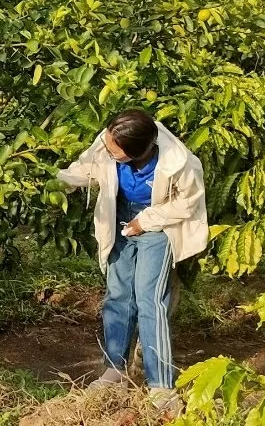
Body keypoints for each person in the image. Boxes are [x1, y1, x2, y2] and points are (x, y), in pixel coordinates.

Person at [57, 109, 208, 412]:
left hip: (159, 224)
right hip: (121, 220)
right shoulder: (109, 140)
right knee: (118, 295)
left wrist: (146, 220)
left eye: (114, 148)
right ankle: (115, 369)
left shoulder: (179, 163)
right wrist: (58, 181)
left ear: (135, 151)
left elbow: (186, 203)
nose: (106, 147)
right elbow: (86, 166)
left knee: (150, 299)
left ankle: (161, 385)